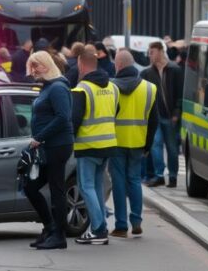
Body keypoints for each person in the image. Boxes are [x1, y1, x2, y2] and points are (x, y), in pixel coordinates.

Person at [23, 51, 74, 251]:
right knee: (30, 186)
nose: (33, 71)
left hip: (57, 145)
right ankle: (50, 228)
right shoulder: (48, 87)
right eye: (32, 66)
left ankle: (59, 236)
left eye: (37, 66)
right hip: (47, 146)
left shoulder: (58, 88)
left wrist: (39, 137)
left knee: (56, 190)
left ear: (47, 65)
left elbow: (63, 117)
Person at [71, 46, 119, 245]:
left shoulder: (82, 89)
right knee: (97, 186)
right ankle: (101, 228)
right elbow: (116, 111)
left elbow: (74, 120)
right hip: (108, 143)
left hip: (88, 145)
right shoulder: (112, 87)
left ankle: (98, 229)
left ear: (81, 65)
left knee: (86, 186)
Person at [108, 50, 158, 239]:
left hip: (115, 142)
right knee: (134, 180)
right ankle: (136, 221)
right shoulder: (149, 88)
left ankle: (121, 226)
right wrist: (148, 146)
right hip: (138, 142)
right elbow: (154, 122)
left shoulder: (111, 87)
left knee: (118, 182)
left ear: (119, 65)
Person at [141, 41, 183, 188]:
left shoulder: (174, 70)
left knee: (172, 148)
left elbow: (180, 94)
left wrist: (177, 113)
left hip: (171, 116)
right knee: (155, 145)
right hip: (155, 116)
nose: (149, 55)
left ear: (160, 51)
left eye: (151, 52)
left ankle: (172, 176)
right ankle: (159, 175)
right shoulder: (147, 72)